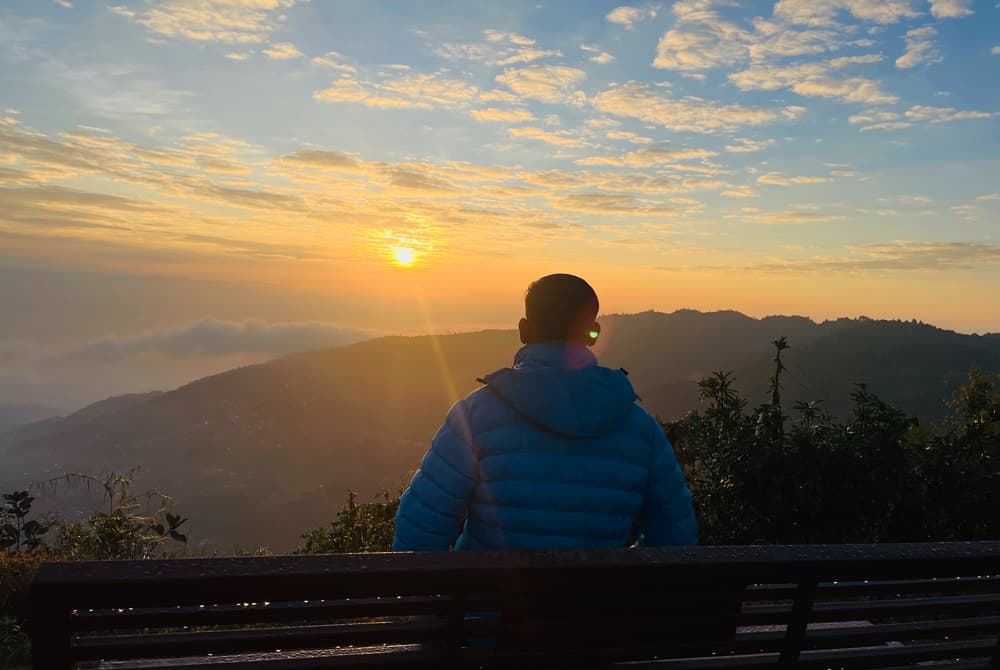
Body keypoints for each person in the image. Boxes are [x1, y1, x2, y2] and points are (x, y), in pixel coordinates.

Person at [392, 273, 697, 551]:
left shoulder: (475, 417)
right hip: (599, 610)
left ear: (524, 330)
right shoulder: (641, 429)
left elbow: (418, 533)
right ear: (593, 333)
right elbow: (675, 535)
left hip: (487, 608)